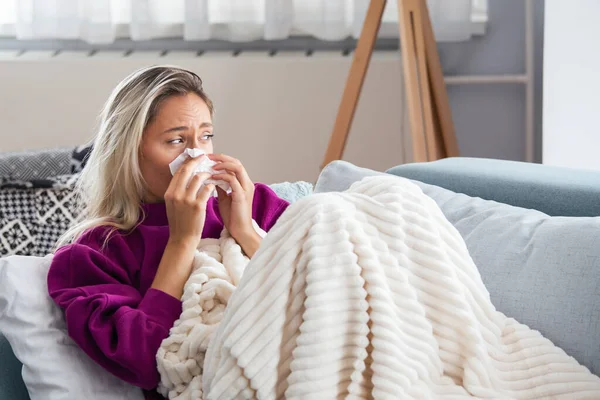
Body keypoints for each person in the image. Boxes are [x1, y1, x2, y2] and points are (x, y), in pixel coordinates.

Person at [47, 65, 289, 399]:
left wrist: (245, 231)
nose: (197, 155)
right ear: (129, 151)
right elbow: (144, 363)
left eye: (205, 136)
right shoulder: (94, 254)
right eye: (176, 140)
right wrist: (182, 242)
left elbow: (319, 296)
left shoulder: (253, 203)